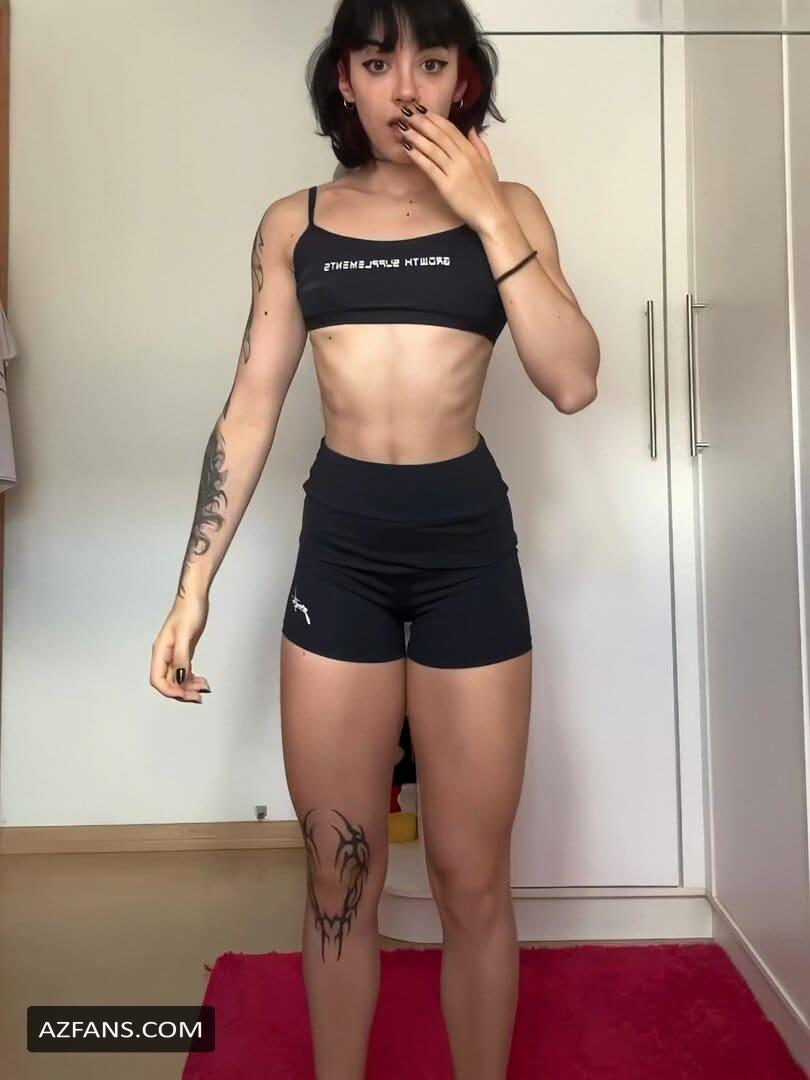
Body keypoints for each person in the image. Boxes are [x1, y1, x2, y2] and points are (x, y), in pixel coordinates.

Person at [150, 1, 599, 1076]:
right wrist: (192, 587)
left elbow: (573, 378)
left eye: (431, 62)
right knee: (337, 874)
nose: (406, 88)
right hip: (343, 553)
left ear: (463, 80)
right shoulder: (294, 223)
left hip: (467, 553)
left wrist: (486, 211)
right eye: (378, 60)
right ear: (343, 81)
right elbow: (250, 410)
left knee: (470, 877)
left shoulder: (513, 208)